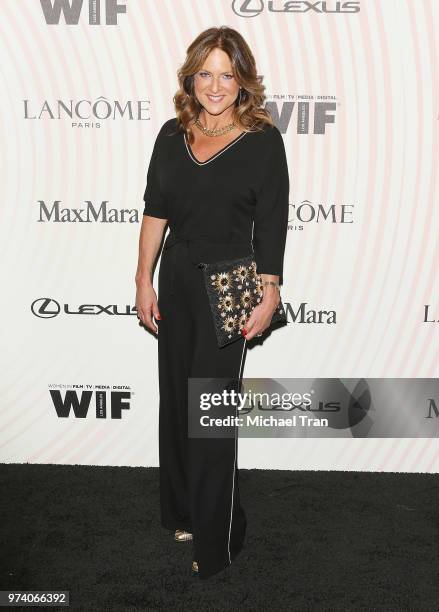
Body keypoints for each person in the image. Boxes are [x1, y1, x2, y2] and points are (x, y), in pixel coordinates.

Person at [135, 26, 289, 580]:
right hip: (175, 279)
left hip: (231, 286)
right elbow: (156, 212)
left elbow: (272, 222)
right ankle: (181, 512)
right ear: (191, 78)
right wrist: (141, 281)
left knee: (210, 414)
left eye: (227, 74)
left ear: (243, 80)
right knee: (177, 402)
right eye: (206, 73)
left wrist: (270, 290)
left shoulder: (263, 139)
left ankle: (218, 536)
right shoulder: (170, 135)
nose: (215, 85)